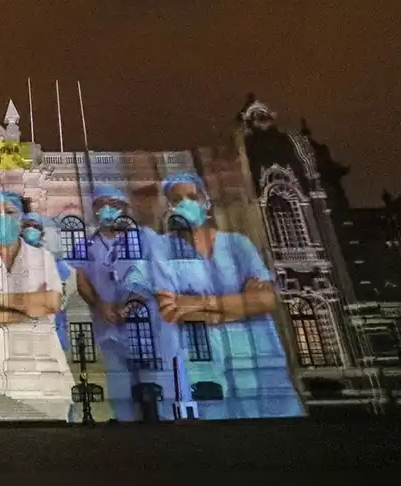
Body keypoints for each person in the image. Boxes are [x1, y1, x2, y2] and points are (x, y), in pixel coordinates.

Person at [150, 171, 304, 419]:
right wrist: (241, 303)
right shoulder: (162, 247)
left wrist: (199, 304)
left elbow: (266, 300)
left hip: (258, 360)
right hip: (203, 366)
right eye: (177, 200)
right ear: (170, 207)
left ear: (206, 201)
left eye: (192, 196)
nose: (186, 204)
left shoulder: (237, 244)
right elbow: (170, 310)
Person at [73, 184, 179, 421]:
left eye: (116, 205)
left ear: (125, 209)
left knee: (157, 393)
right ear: (95, 210)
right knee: (122, 397)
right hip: (109, 329)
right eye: (103, 205)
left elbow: (155, 276)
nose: (109, 210)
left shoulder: (146, 237)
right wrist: (100, 305)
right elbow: (81, 280)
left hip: (148, 327)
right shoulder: (86, 245)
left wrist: (131, 305)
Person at [0, 191, 73, 420]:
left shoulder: (43, 258)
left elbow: (52, 302)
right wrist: (30, 309)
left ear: (21, 219)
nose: (2, 218)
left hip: (45, 373)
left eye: (10, 212)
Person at [20, 213, 76, 354]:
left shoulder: (54, 260)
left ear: (42, 232)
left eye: (35, 226)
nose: (31, 229)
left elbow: (69, 283)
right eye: (27, 226)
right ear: (20, 230)